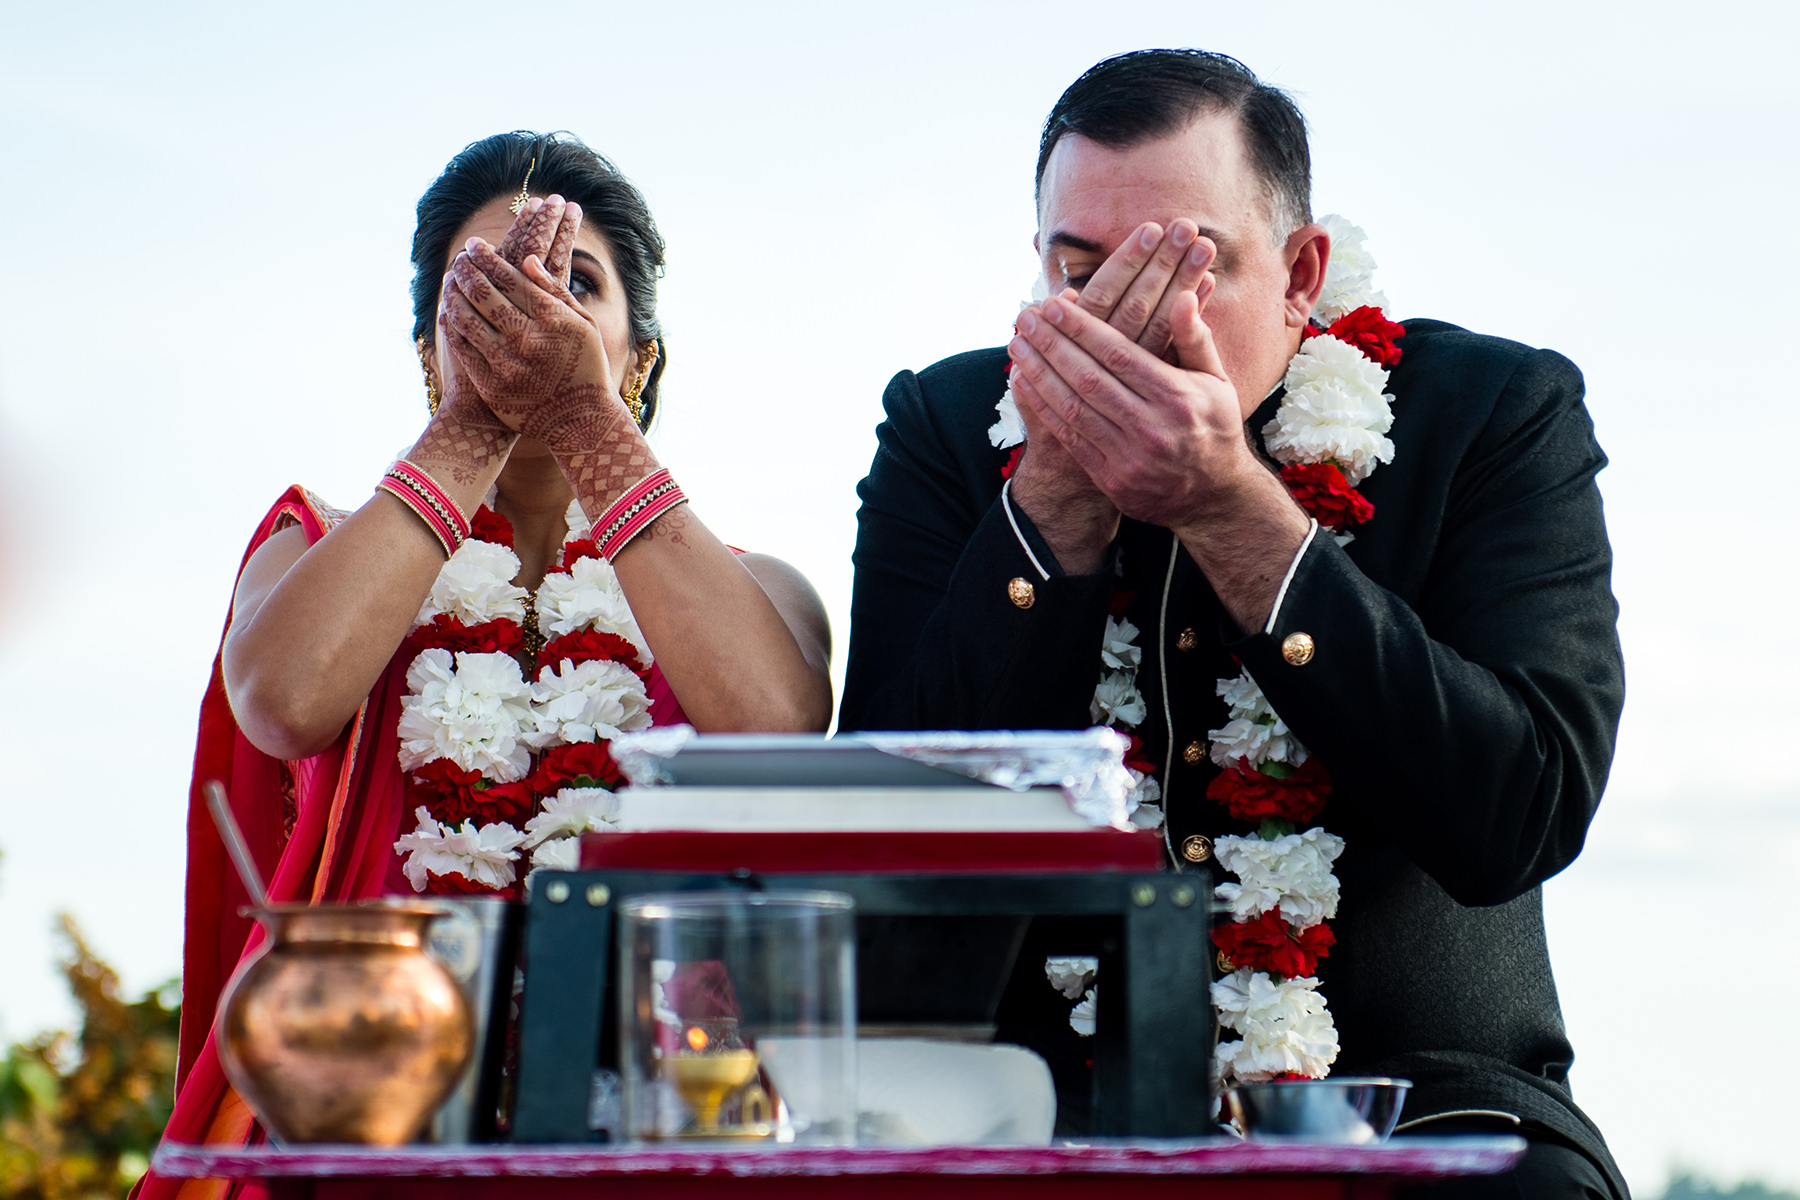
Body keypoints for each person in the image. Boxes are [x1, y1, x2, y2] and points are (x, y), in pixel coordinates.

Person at [840, 51, 1626, 1199]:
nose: (1131, 320)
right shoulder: (950, 427)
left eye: (1186, 266)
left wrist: (1236, 514)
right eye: (1084, 271)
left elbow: (1524, 809)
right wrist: (1051, 503)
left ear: (1304, 271)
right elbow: (880, 829)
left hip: (1412, 1104)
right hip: (1034, 1102)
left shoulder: (1492, 415)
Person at [141, 132, 830, 1197]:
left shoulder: (756, 586)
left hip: (657, 1141)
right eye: (486, 286)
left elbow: (773, 730)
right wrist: (473, 425)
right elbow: (282, 701)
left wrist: (586, 423)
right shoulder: (315, 545)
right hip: (360, 1132)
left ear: (639, 356)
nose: (530, 307)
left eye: (574, 282)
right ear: (427, 347)